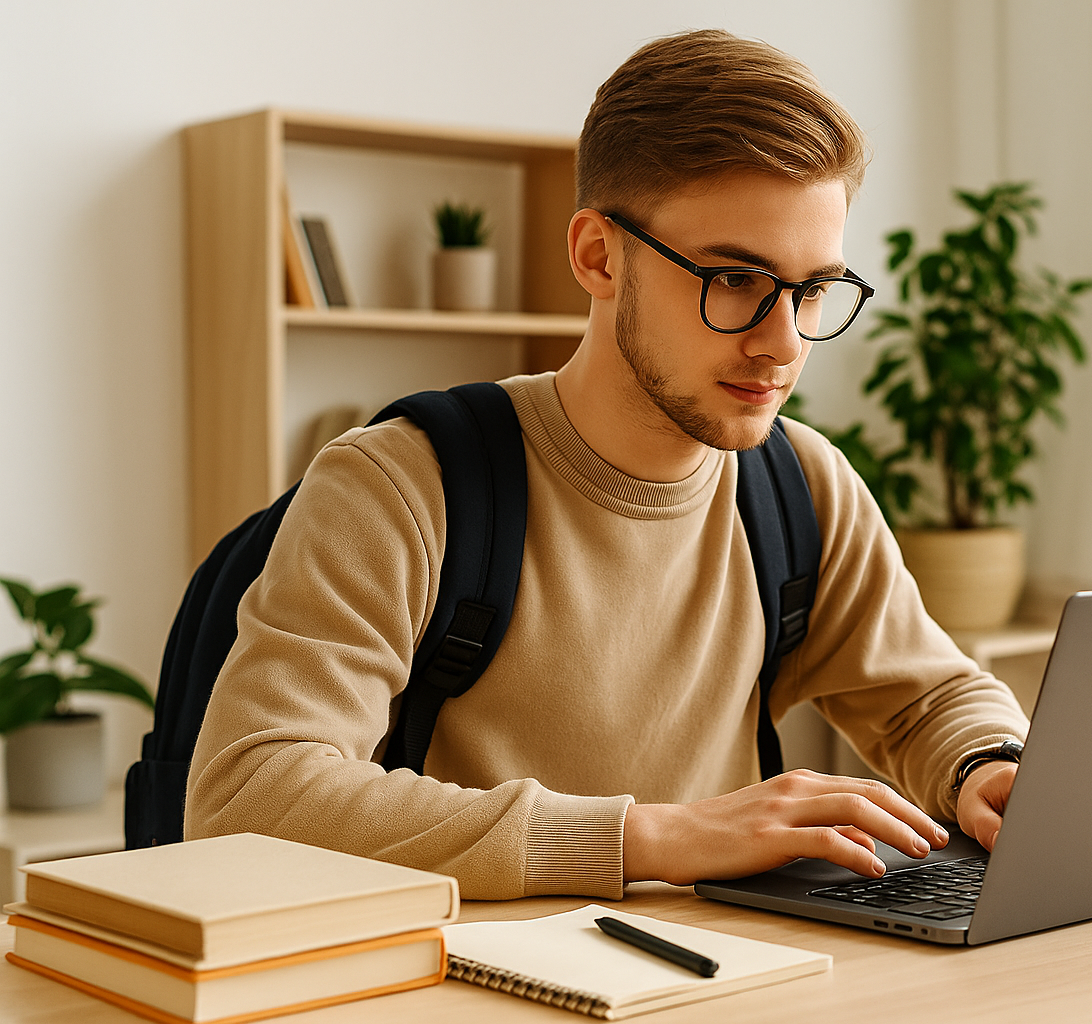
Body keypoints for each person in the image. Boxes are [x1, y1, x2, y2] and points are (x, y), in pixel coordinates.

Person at [186, 29, 1029, 900]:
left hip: (733, 978)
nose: (784, 343)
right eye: (736, 279)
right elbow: (247, 796)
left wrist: (988, 767)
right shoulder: (401, 485)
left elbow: (925, 698)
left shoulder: (801, 485)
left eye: (814, 290)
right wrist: (650, 837)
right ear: (597, 255)